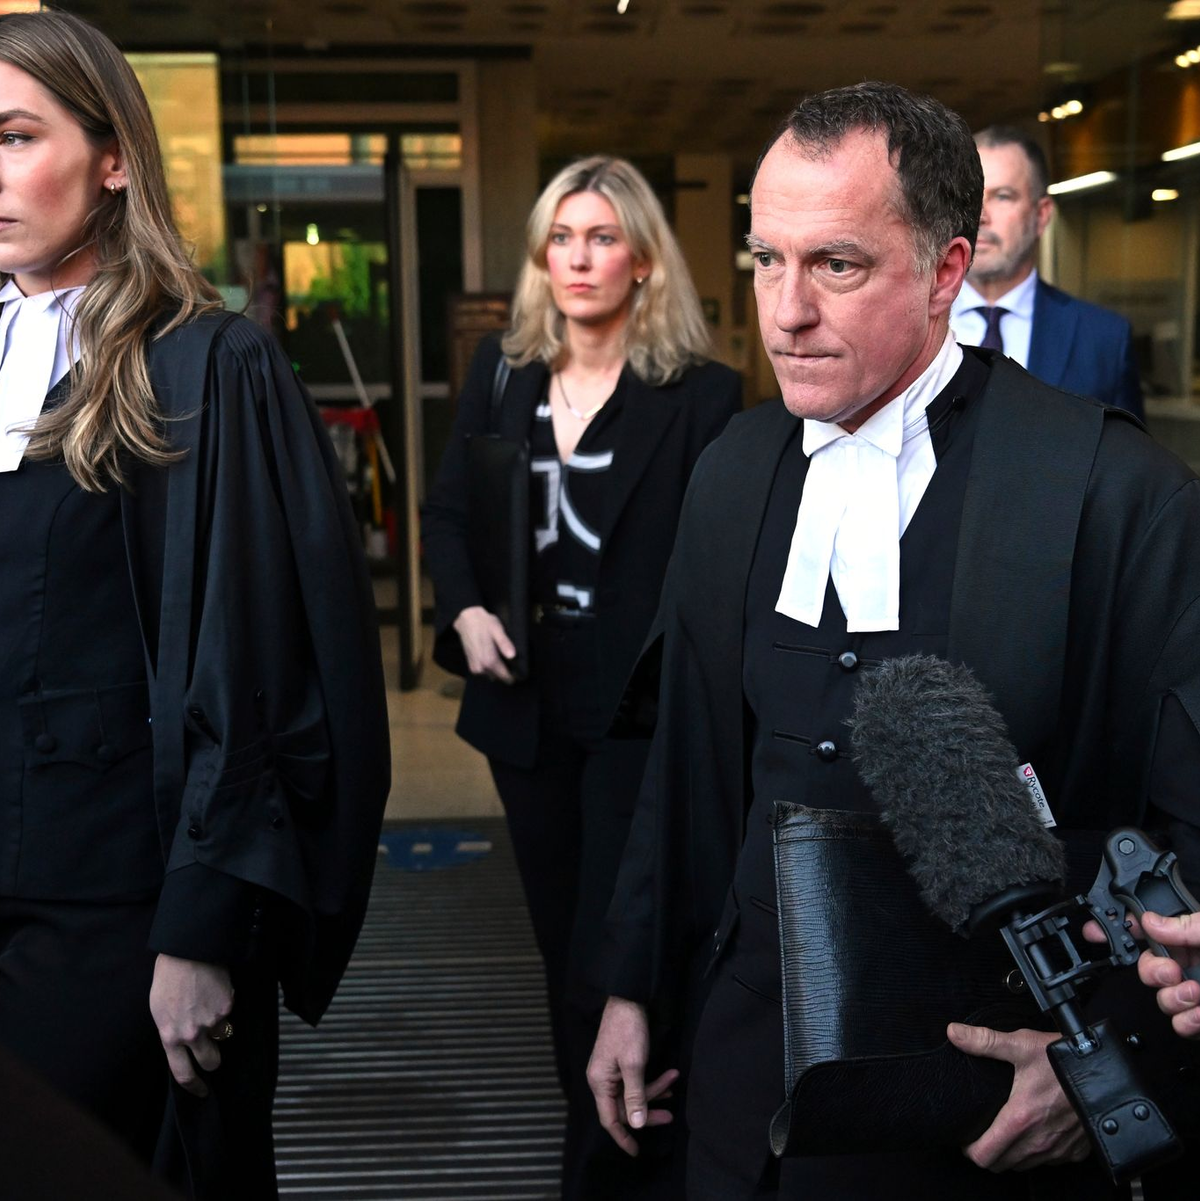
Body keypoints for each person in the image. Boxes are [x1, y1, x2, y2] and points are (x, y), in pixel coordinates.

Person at [587, 82, 1200, 1200]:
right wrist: (632, 989)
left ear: (946, 270)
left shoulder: (1114, 495)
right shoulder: (731, 472)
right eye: (767, 259)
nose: (784, 313)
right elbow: (680, 770)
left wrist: (1099, 1054)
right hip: (744, 1078)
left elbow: (1185, 835)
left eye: (837, 265)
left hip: (982, 1097)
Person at [0, 11, 390, 1198]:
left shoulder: (204, 363)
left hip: (113, 906)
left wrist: (203, 926)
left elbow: (259, 668)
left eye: (15, 137)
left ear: (113, 155)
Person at [421, 155, 741, 1198]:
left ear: (644, 257)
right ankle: (606, 1138)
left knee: (620, 954)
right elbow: (450, 516)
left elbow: (720, 562)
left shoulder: (703, 397)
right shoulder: (503, 375)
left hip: (637, 718)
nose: (581, 257)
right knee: (567, 955)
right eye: (563, 237)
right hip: (527, 709)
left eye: (603, 237)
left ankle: (611, 1169)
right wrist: (464, 608)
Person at [949, 125, 1144, 418]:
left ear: (1041, 215)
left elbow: (1131, 461)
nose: (981, 215)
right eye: (970, 196)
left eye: (1002, 196)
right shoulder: (905, 323)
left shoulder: (1104, 339)